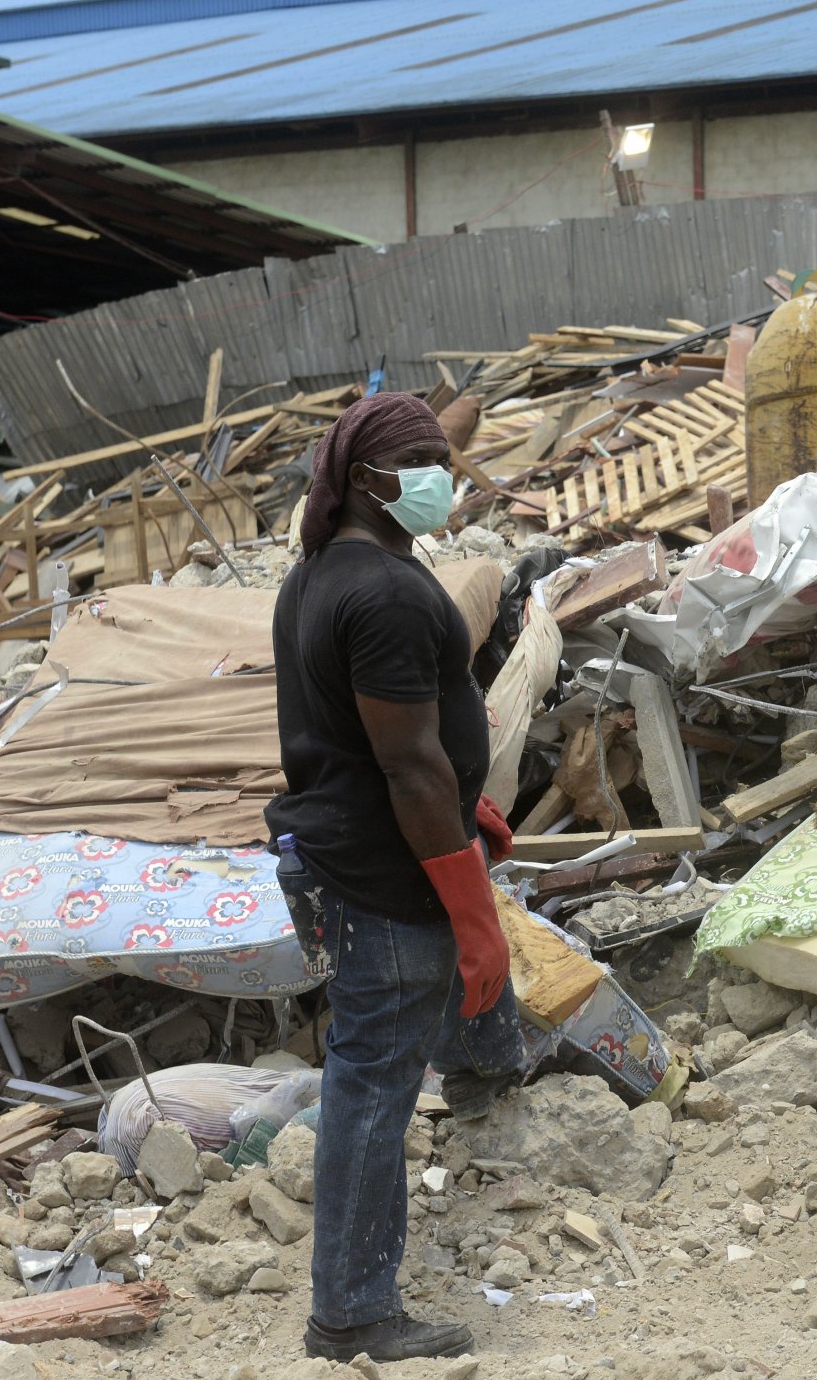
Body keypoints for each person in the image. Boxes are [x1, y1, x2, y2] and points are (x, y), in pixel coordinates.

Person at [267, 392, 522, 1363]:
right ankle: (353, 1309)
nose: (439, 475)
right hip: (388, 872)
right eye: (418, 460)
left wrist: (468, 809)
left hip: (357, 847)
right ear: (368, 479)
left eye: (439, 455)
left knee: (413, 1022)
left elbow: (368, 739)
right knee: (373, 1079)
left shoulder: (323, 573)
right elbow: (410, 763)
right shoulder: (380, 594)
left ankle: (487, 1069)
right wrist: (468, 902)